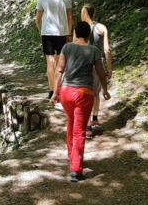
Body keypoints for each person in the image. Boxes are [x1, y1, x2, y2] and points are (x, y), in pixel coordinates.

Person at [51, 21, 110, 182]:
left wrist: (55, 93)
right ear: (88, 35)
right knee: (79, 131)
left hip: (66, 93)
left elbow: (59, 71)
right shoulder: (94, 50)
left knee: (71, 122)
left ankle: (72, 156)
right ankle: (76, 169)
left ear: (76, 33)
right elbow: (101, 73)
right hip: (84, 94)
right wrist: (105, 90)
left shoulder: (67, 47)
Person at [35, 0, 73, 98]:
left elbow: (37, 19)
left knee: (50, 61)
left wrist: (41, 30)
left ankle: (52, 90)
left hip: (47, 33)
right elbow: (70, 18)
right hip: (62, 32)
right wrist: (69, 33)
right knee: (59, 62)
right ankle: (59, 89)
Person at [82, 4, 112, 137]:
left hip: (84, 64)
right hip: (98, 64)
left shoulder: (81, 29)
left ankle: (87, 126)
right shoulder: (101, 27)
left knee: (86, 94)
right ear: (94, 13)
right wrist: (109, 68)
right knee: (96, 93)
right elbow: (107, 50)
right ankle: (95, 120)